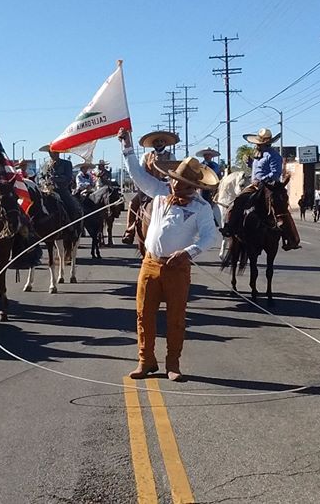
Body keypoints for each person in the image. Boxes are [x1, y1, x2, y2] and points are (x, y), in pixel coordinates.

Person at [117, 127, 219, 382]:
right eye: (173, 180)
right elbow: (137, 175)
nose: (173, 185)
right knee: (143, 313)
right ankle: (145, 360)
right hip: (150, 262)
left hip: (177, 268)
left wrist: (189, 252)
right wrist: (127, 146)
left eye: (179, 183)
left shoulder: (201, 208)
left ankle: (172, 363)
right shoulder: (161, 193)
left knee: (175, 317)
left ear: (192, 187)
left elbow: (209, 237)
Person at [221, 128, 300, 249]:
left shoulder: (274, 156)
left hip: (270, 186)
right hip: (254, 185)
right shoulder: (259, 155)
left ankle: (291, 238)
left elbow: (275, 173)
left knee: (280, 208)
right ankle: (230, 227)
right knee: (237, 202)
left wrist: (262, 180)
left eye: (258, 143)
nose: (256, 145)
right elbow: (257, 169)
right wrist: (250, 163)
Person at [121, 131, 177, 245]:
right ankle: (130, 230)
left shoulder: (171, 156)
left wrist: (167, 179)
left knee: (180, 204)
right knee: (133, 203)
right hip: (148, 186)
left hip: (165, 186)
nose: (159, 143)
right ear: (153, 144)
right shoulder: (146, 156)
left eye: (161, 141)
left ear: (165, 143)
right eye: (156, 142)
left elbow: (174, 171)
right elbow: (140, 171)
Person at [38, 144, 82, 224]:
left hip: (61, 190)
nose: (54, 154)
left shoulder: (66, 163)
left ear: (59, 152)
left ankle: (74, 227)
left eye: (56, 152)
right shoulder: (44, 165)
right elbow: (40, 177)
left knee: (73, 207)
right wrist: (44, 183)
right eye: (51, 152)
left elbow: (68, 177)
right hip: (46, 191)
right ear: (49, 153)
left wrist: (55, 179)